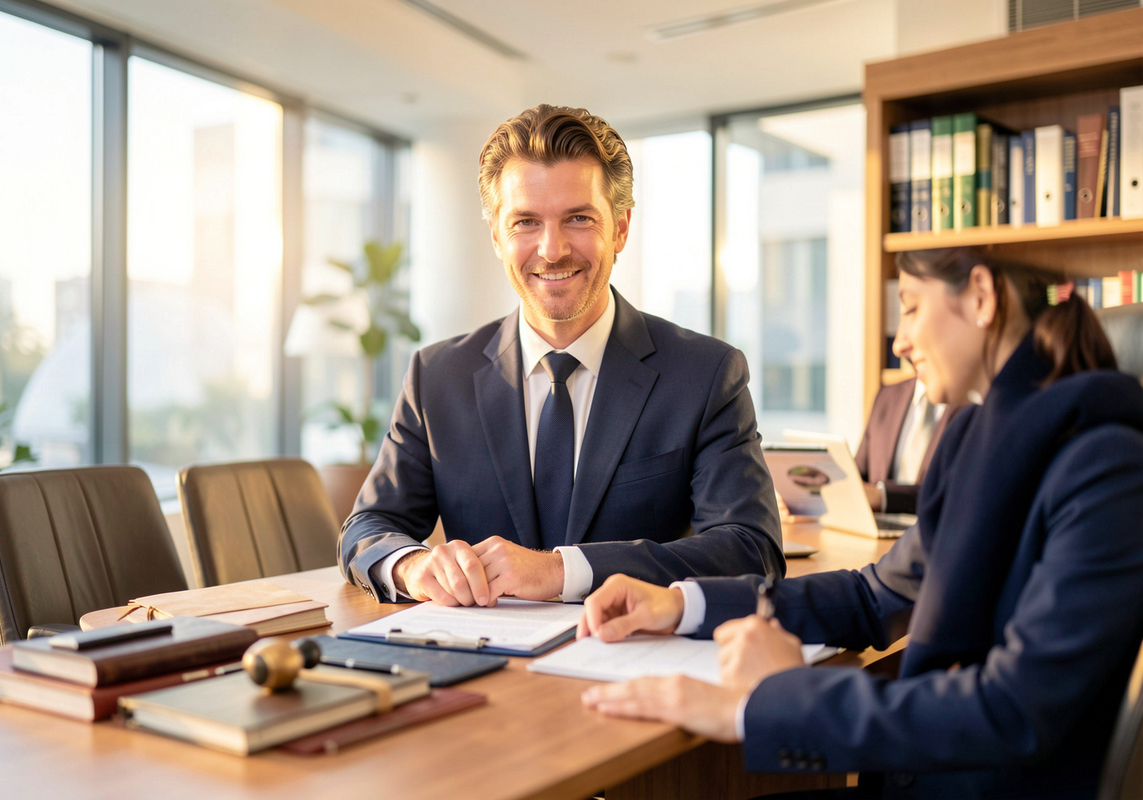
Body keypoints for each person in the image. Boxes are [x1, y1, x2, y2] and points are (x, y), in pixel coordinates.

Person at [579, 247, 1143, 799]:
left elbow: (1014, 710)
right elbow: (877, 596)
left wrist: (775, 697)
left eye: (914, 307)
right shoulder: (979, 442)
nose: (900, 341)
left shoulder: (1106, 467)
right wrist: (683, 604)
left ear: (980, 296)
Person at [339, 104, 782, 608]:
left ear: (619, 228)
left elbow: (750, 549)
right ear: (497, 236)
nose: (551, 250)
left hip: (633, 664)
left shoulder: (705, 376)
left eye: (577, 218)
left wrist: (560, 570)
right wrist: (413, 564)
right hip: (481, 668)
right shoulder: (437, 377)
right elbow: (368, 527)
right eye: (525, 221)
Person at [855, 376, 956, 514]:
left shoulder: (974, 400)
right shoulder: (887, 396)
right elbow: (859, 473)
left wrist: (883, 496)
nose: (898, 352)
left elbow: (958, 493)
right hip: (874, 531)